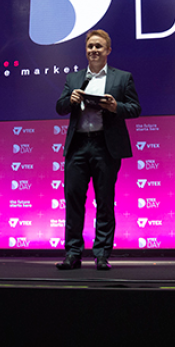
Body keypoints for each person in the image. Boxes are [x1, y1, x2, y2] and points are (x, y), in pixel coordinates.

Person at [55, 29, 141, 270]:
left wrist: (116, 107)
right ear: (86, 50)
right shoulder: (73, 78)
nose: (94, 50)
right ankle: (72, 253)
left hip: (106, 146)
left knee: (104, 200)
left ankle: (102, 253)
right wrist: (69, 99)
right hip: (78, 146)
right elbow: (59, 107)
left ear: (108, 50)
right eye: (90, 46)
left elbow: (135, 108)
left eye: (98, 46)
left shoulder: (122, 78)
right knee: (73, 200)